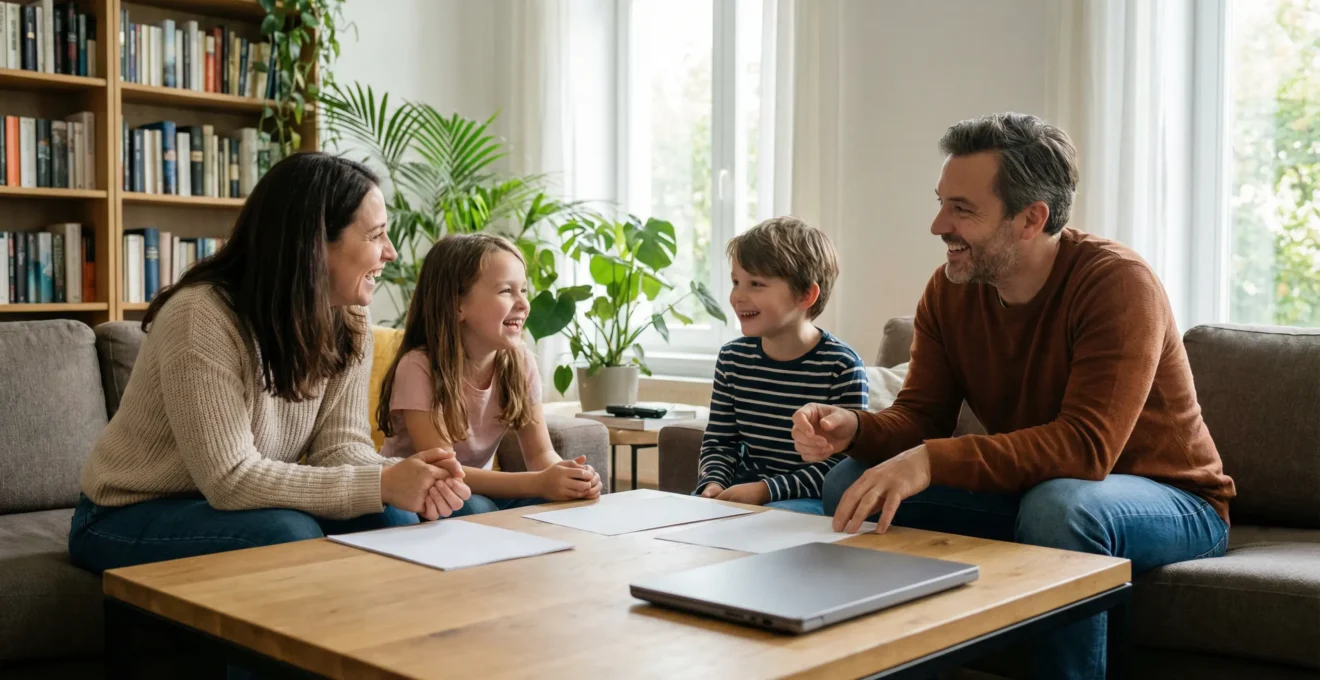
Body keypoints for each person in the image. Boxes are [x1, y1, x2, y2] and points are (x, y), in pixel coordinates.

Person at [791, 113, 1235, 679]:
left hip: (1173, 500)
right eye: (941, 202)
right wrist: (855, 428)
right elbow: (922, 415)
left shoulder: (1117, 284)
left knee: (1061, 506)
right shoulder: (949, 291)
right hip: (1038, 492)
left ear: (1031, 219)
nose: (937, 225)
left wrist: (931, 459)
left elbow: (1085, 448)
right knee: (850, 483)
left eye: (962, 209)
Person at [69, 153, 471, 575]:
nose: (389, 252)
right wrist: (381, 483)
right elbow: (231, 478)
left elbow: (338, 448)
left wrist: (412, 475)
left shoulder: (347, 315)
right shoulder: (200, 316)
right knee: (287, 534)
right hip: (123, 515)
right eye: (376, 236)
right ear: (314, 244)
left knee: (394, 519)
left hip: (226, 503)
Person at [377, 233, 602, 515]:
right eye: (506, 291)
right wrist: (539, 483)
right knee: (474, 507)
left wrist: (570, 479)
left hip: (474, 493)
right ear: (458, 304)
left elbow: (540, 454)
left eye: (524, 291)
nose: (523, 304)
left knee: (557, 504)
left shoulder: (520, 363)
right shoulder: (418, 367)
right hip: (420, 495)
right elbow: (445, 472)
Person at [696, 217, 869, 515]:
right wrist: (712, 484)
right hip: (744, 491)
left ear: (806, 295)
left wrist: (766, 491)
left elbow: (842, 468)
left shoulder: (841, 366)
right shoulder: (732, 359)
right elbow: (720, 442)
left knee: (782, 518)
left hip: (808, 499)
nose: (738, 296)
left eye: (756, 284)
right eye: (736, 282)